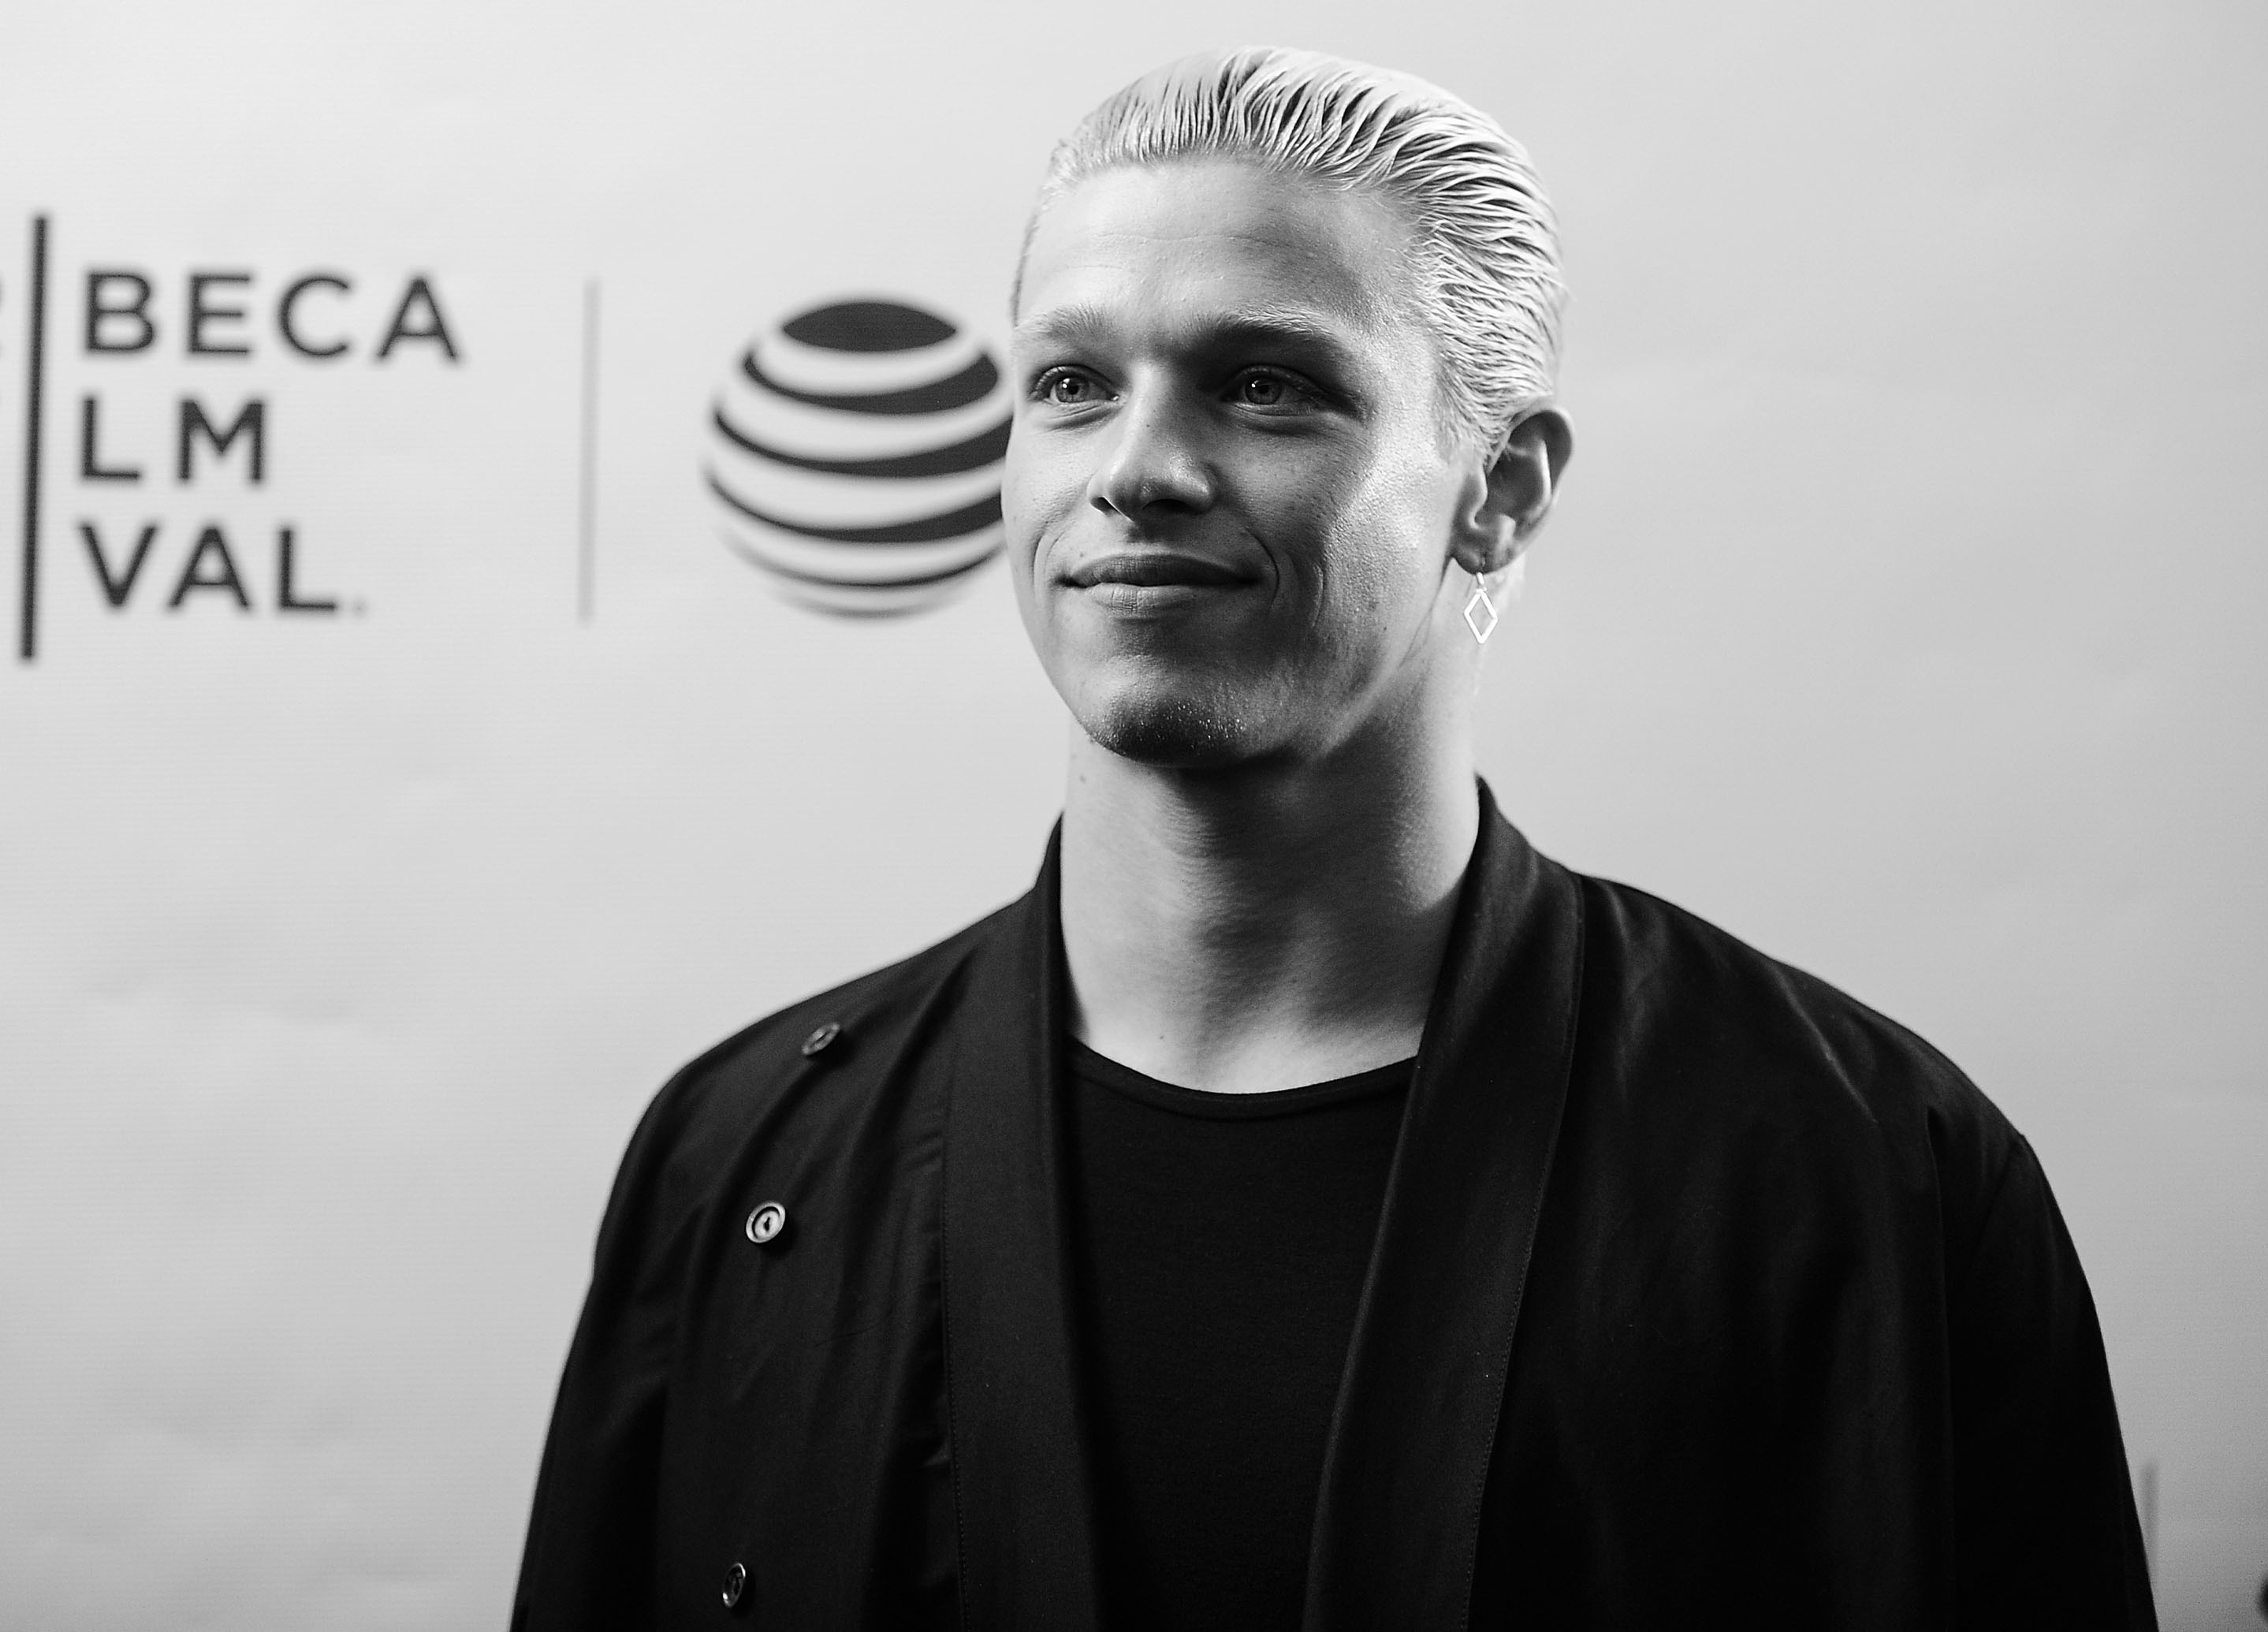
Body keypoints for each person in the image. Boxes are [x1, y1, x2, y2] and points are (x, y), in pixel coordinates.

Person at [512, 47, 2158, 1630]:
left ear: (1499, 492)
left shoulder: (1868, 1176)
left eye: (1267, 387)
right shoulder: (746, 1163)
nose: (1139, 470)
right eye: (1074, 382)